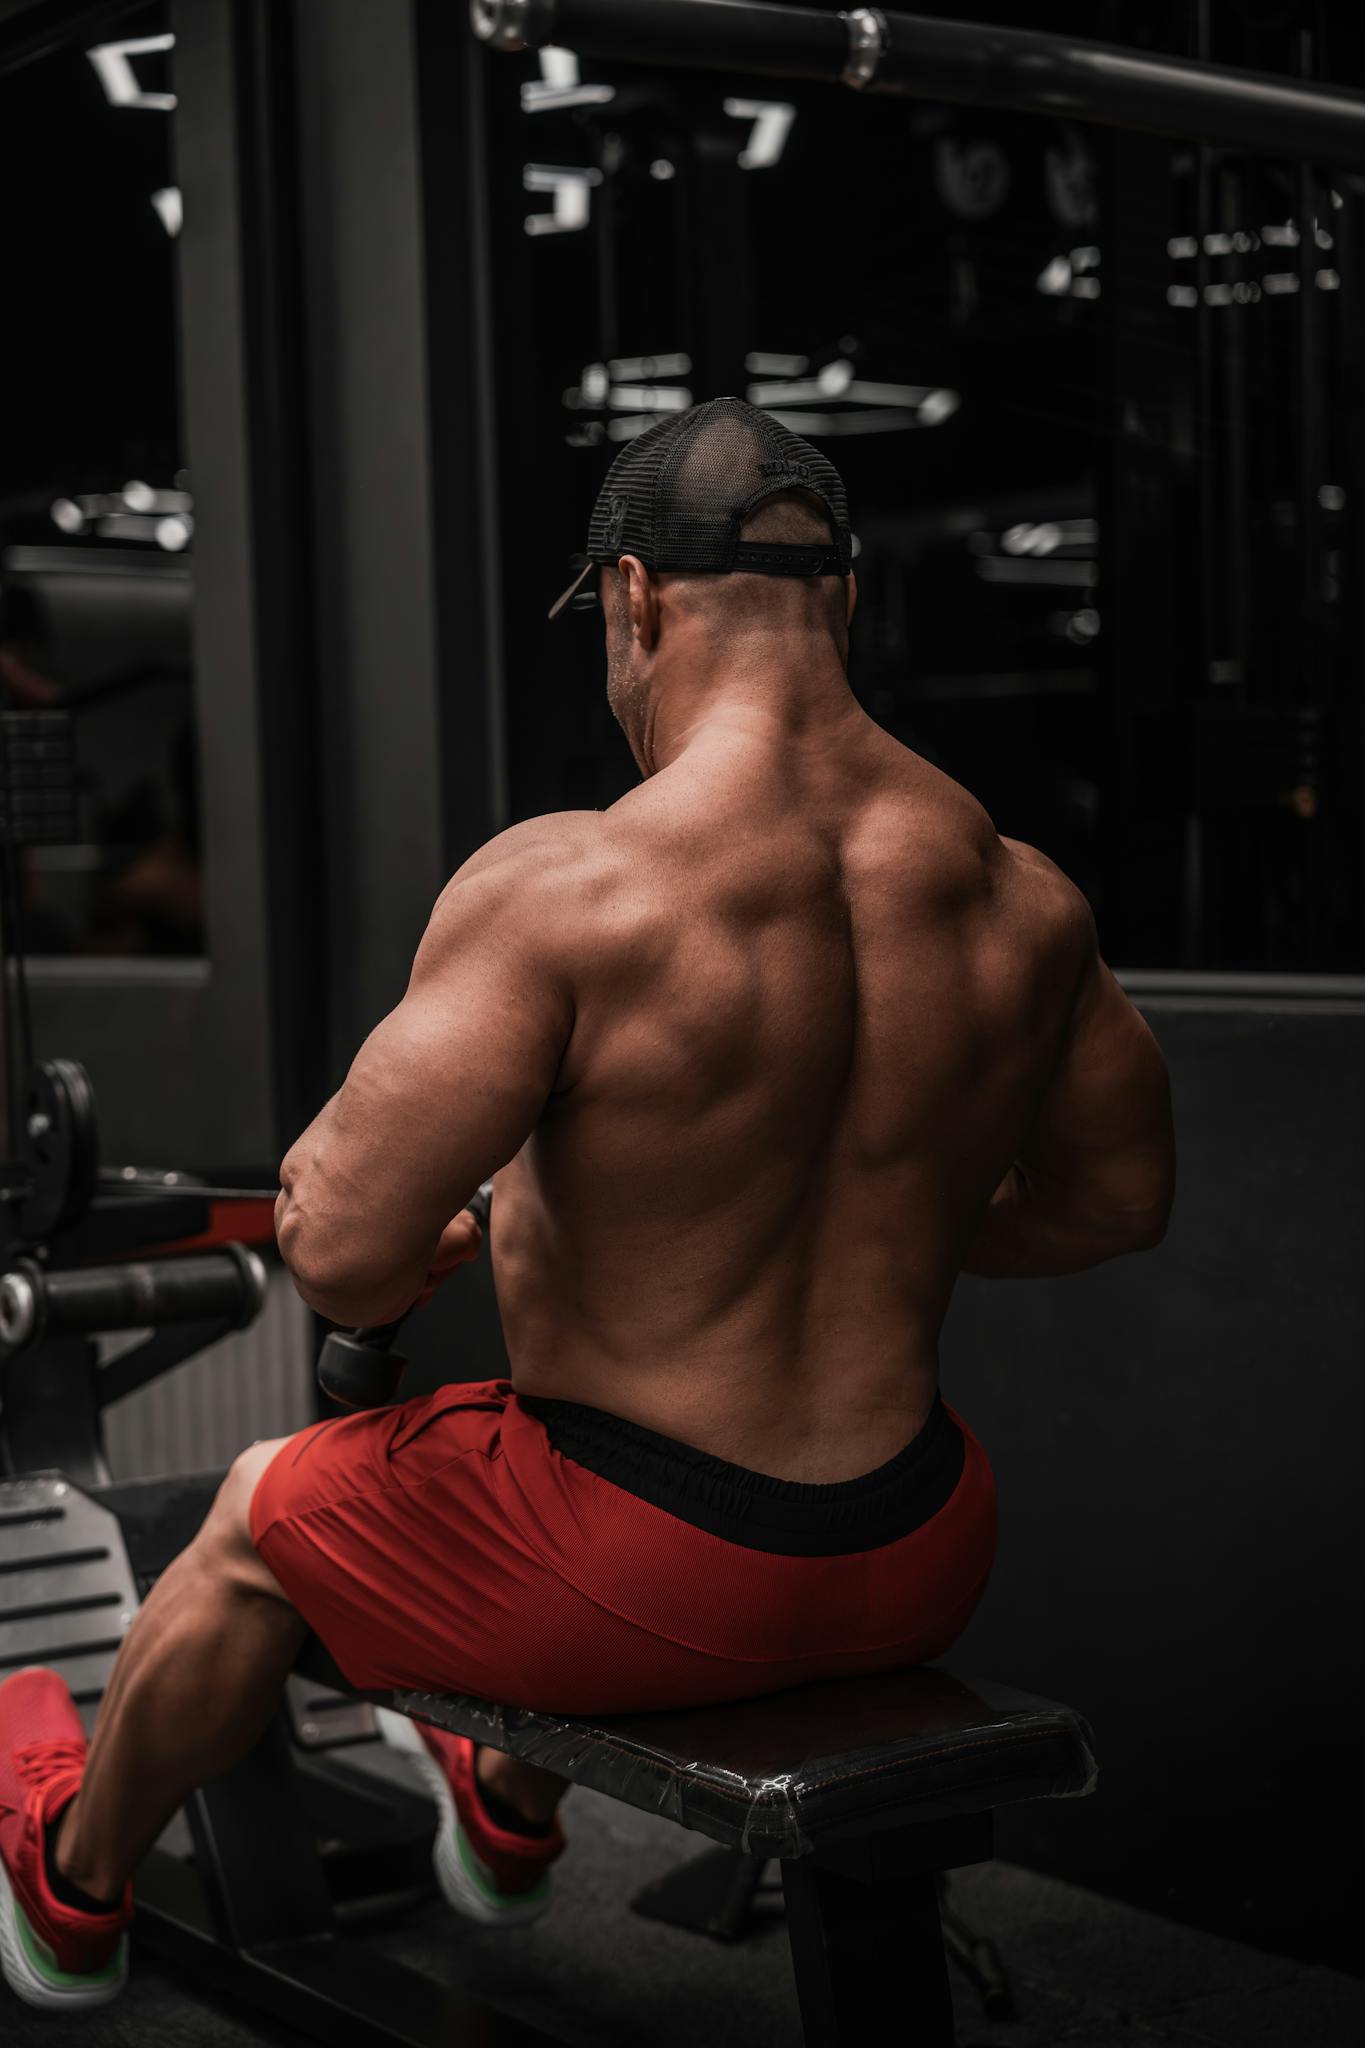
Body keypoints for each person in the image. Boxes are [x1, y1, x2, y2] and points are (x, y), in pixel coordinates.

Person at [0, 398, 1174, 2009]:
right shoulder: (1022, 895)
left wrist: (445, 1244)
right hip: (920, 1545)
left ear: (633, 598)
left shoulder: (575, 885)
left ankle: (71, 1890)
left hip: (637, 1578)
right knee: (525, 1476)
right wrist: (866, 1200)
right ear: (843, 595)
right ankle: (507, 1808)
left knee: (259, 1512)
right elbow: (1114, 1203)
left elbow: (336, 1247)